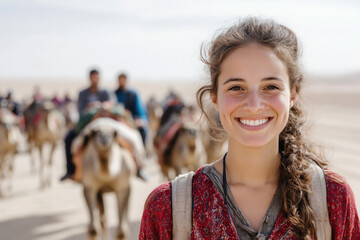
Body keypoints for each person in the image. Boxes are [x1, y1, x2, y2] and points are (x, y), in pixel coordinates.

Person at [139, 17, 359, 239]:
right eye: (236, 87)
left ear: (292, 94)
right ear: (215, 97)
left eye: (270, 86)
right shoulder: (167, 207)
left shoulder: (333, 199)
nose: (254, 105)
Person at [60, 69, 115, 181]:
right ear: (89, 78)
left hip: (107, 122)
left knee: (131, 135)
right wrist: (94, 109)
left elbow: (112, 105)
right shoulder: (83, 93)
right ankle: (70, 170)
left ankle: (138, 166)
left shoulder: (106, 92)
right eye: (92, 77)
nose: (95, 79)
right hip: (88, 123)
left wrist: (102, 106)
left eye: (96, 77)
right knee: (68, 138)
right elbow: (81, 110)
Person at [114, 73, 149, 145]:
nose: (122, 81)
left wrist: (141, 119)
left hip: (132, 120)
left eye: (123, 80)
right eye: (120, 80)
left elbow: (139, 110)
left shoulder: (132, 94)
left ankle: (142, 152)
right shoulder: (114, 94)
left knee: (143, 130)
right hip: (118, 119)